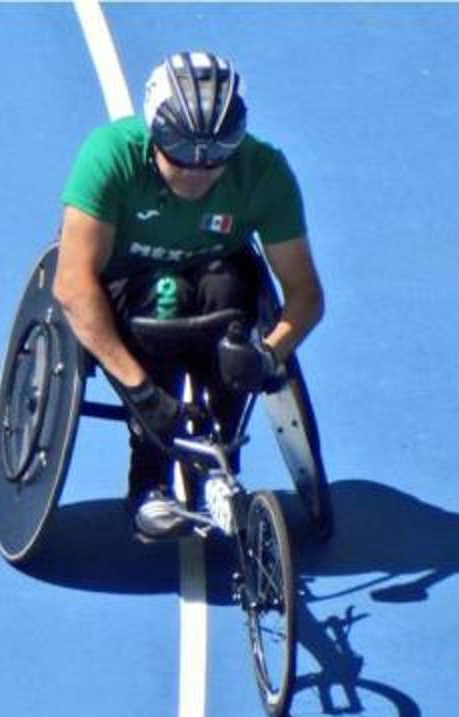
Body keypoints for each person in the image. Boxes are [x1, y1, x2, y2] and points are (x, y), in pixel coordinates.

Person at [53, 51, 325, 542]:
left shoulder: (265, 173)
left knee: (228, 297)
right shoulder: (110, 156)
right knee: (165, 298)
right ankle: (149, 478)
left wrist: (268, 354)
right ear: (156, 128)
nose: (198, 167)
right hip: (131, 290)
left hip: (217, 284)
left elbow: (306, 295)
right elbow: (71, 285)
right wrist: (142, 393)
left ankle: (217, 465)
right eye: (181, 147)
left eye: (218, 150)